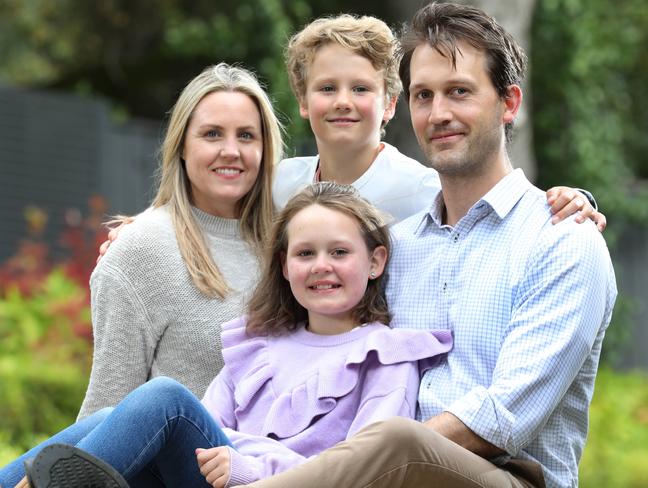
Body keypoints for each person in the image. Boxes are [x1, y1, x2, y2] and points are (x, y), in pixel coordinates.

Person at [232, 3, 617, 488]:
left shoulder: (562, 241)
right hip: (377, 470)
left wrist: (361, 458)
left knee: (398, 440)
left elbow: (505, 418)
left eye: (459, 92)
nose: (439, 114)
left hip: (509, 476)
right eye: (423, 96)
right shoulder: (396, 247)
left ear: (509, 102)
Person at [0, 182, 453, 488]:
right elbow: (211, 424)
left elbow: (365, 470)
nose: (321, 266)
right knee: (111, 418)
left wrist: (252, 463)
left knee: (165, 400)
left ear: (374, 262)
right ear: (283, 266)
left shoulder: (385, 356)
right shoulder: (261, 346)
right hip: (217, 477)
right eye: (305, 253)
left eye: (339, 252)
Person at [76, 63, 282, 419]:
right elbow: (106, 410)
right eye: (212, 134)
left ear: (265, 150)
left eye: (246, 135)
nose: (231, 150)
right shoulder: (141, 249)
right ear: (182, 146)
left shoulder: (293, 247)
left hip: (282, 468)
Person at [273, 13, 605, 227]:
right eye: (327, 88)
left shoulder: (425, 192)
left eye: (360, 88)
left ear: (390, 104)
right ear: (303, 101)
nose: (343, 102)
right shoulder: (278, 184)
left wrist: (573, 200)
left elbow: (493, 213)